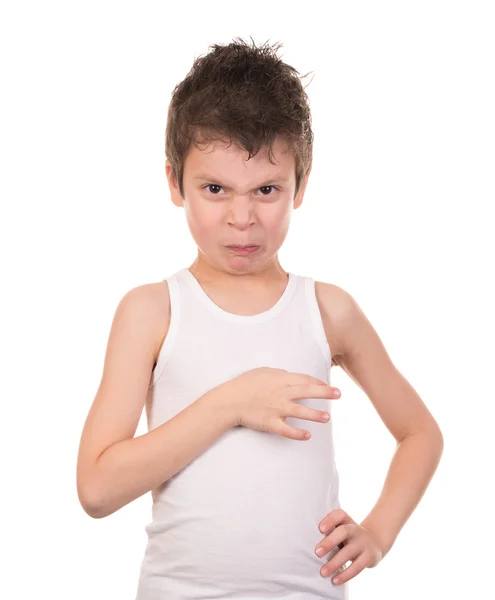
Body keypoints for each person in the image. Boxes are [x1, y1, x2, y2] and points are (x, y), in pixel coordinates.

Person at [76, 37, 444, 599]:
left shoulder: (327, 310)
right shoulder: (152, 311)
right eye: (215, 189)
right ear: (175, 182)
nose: (242, 218)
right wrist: (232, 403)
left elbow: (420, 433)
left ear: (301, 185)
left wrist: (378, 533)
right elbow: (97, 490)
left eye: (266, 189)